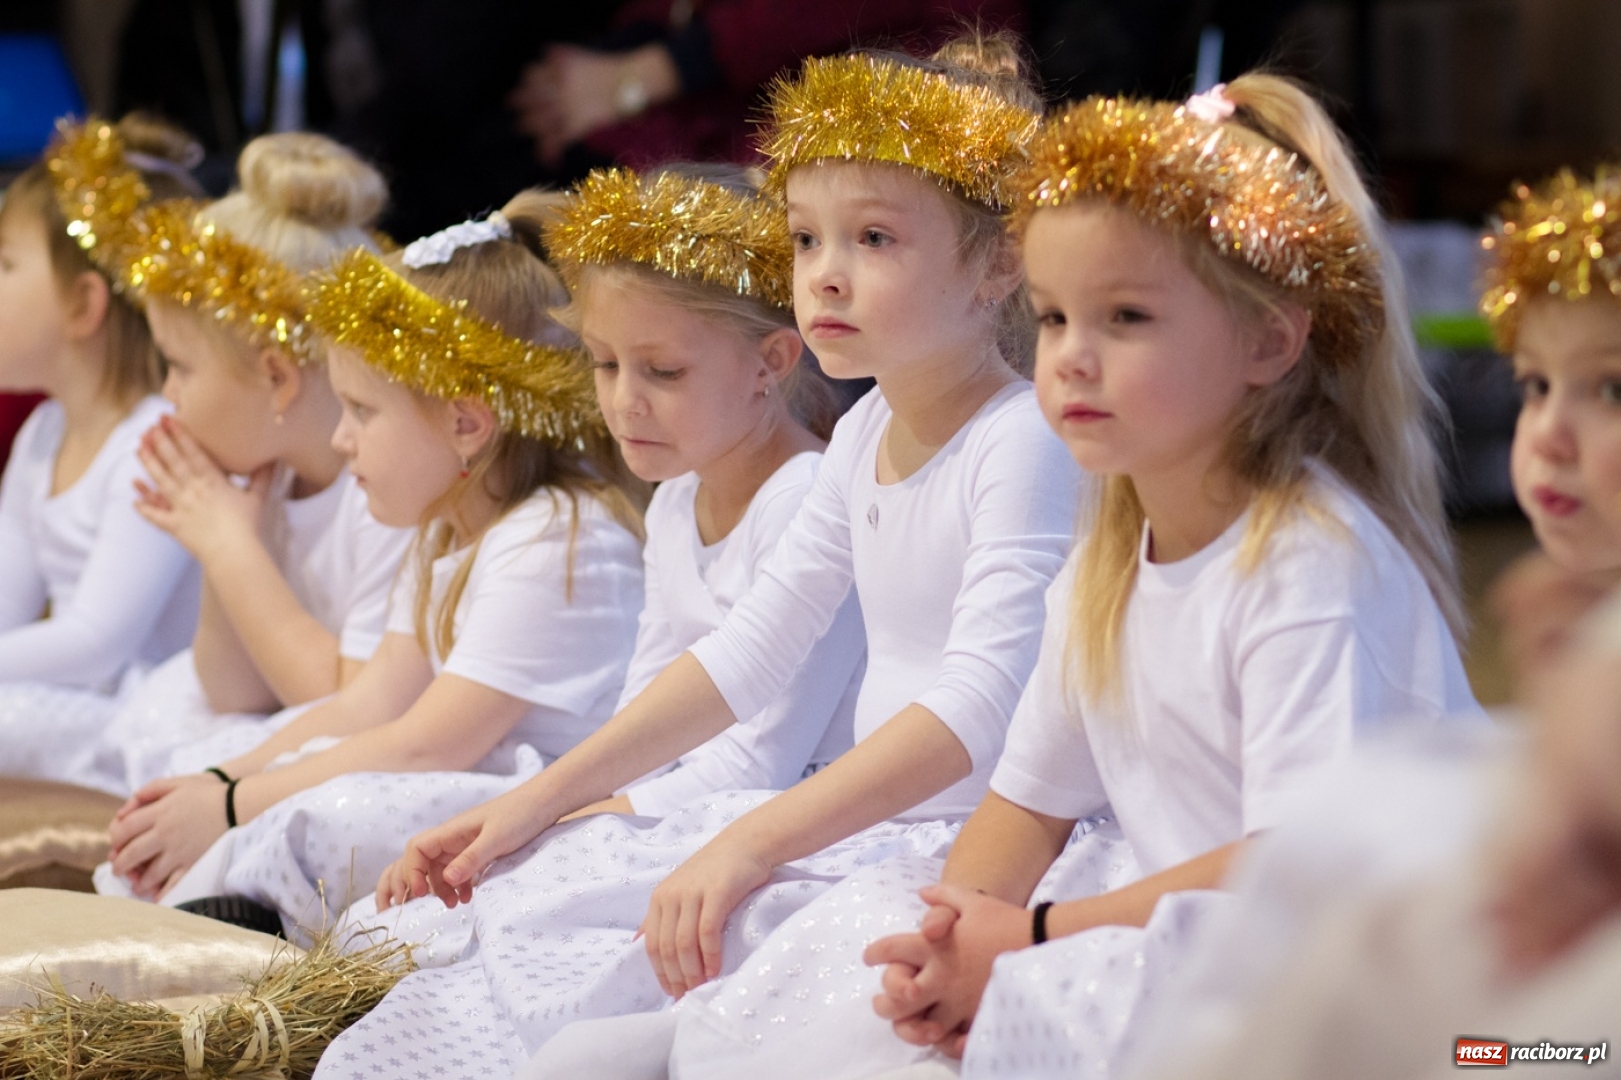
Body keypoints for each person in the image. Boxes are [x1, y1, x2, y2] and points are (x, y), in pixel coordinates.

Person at [663, 76, 1481, 1080]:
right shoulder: (1106, 561)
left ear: (1268, 339)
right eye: (1053, 319)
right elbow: (1027, 804)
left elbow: (1294, 862)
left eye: (1124, 317)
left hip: (1369, 976)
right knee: (853, 968)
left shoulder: (1307, 561)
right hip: (1190, 922)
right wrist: (954, 934)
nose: (1070, 360)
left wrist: (1032, 937)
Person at [315, 36, 1078, 1079]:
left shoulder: (1019, 439)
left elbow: (975, 709)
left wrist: (754, 839)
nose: (825, 274)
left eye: (873, 238)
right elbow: (744, 655)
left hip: (958, 843)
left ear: (997, 264)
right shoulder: (864, 433)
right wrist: (532, 803)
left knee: (664, 983)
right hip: (869, 826)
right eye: (805, 239)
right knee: (528, 900)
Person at [346, 163, 867, 963]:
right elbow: (642, 706)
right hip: (677, 808)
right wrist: (554, 816)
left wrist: (568, 823)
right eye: (604, 363)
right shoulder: (675, 499)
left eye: (663, 371)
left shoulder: (803, 501)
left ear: (771, 360)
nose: (624, 400)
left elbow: (758, 760)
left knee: (496, 928)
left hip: (775, 824)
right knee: (407, 922)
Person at [97, 195, 645, 919]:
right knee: (256, 762)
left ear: (466, 421)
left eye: (362, 411)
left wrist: (229, 808)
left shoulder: (557, 539)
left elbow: (424, 747)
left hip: (546, 808)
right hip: (462, 773)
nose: (341, 438)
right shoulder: (443, 530)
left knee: (335, 813)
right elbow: (366, 704)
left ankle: (251, 922)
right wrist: (221, 779)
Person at [85, 132, 413, 796]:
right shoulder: (275, 474)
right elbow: (230, 691)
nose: (167, 394)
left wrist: (230, 547)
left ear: (277, 378)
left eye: (179, 367)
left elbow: (344, 709)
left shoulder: (387, 496)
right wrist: (226, 539)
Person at [0, 116, 203, 781]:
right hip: (70, 699)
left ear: (84, 305)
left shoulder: (154, 443)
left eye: (5, 264)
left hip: (142, 716)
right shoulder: (42, 433)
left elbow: (97, 644)